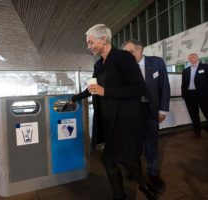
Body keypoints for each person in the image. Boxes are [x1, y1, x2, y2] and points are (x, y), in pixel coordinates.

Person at [71, 24, 157, 200]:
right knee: (124, 159)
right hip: (108, 120)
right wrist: (75, 98)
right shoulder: (99, 64)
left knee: (109, 159)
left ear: (103, 39)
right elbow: (93, 88)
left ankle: (122, 196)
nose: (89, 47)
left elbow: (139, 88)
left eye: (91, 42)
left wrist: (106, 92)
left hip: (124, 120)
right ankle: (145, 186)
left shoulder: (123, 57)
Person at [122, 39, 170, 191]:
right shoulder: (124, 68)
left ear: (140, 49)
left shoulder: (157, 63)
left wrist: (163, 110)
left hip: (151, 109)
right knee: (133, 142)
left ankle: (153, 173)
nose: (127, 56)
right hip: (131, 110)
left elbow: (165, 87)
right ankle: (134, 170)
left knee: (151, 142)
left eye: (130, 52)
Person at [181, 53, 208, 138]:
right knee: (193, 114)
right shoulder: (185, 70)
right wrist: (183, 94)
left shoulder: (206, 67)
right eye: (189, 58)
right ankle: (197, 132)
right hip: (189, 95)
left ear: (197, 58)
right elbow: (184, 84)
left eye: (193, 57)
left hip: (204, 95)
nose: (191, 59)